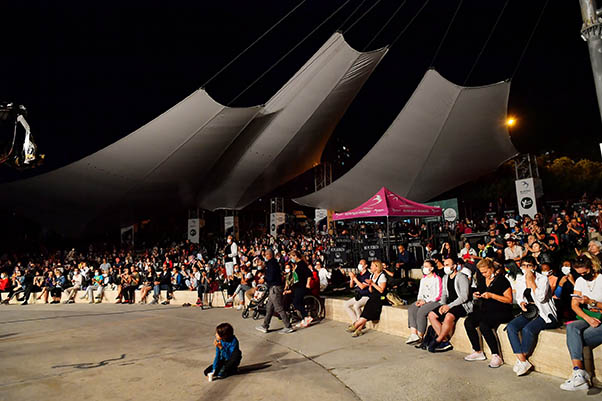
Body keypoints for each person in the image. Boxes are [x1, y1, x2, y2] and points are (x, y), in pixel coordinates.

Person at [505, 256, 558, 376]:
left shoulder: (542, 279)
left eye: (529, 265)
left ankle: (521, 360)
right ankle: (522, 360)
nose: (526, 268)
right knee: (511, 327)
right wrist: (522, 303)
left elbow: (541, 297)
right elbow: (519, 297)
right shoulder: (520, 280)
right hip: (530, 312)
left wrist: (532, 282)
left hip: (545, 314)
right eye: (524, 266)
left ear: (534, 267)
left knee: (527, 329)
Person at [560, 256, 602, 391]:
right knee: (572, 327)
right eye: (579, 273)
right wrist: (588, 318)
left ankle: (582, 376)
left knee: (575, 339)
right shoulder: (579, 281)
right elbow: (574, 305)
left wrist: (591, 302)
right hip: (588, 317)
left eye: (585, 272)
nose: (583, 276)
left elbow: (590, 302)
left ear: (592, 266)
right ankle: (578, 372)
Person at [463, 258, 513, 368]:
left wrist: (492, 296)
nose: (483, 274)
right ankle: (477, 351)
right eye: (481, 272)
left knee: (484, 325)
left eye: (485, 272)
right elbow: (481, 291)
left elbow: (509, 300)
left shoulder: (502, 280)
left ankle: (496, 355)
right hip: (486, 309)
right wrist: (477, 294)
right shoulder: (482, 279)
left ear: (491, 269)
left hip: (501, 310)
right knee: (469, 322)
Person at [427, 257, 472, 352]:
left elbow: (464, 297)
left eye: (447, 265)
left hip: (461, 305)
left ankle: (437, 340)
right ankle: (445, 341)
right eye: (444, 265)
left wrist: (449, 306)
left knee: (449, 316)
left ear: (454, 266)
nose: (445, 267)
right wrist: (442, 305)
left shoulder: (462, 277)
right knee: (431, 315)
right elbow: (444, 293)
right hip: (449, 304)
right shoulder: (445, 278)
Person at [256, 249, 294, 334]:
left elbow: (271, 277)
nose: (265, 256)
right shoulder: (273, 263)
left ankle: (288, 326)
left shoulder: (271, 264)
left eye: (266, 254)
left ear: (269, 255)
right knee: (269, 307)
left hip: (275, 288)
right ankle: (265, 325)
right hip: (273, 288)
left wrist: (264, 279)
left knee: (278, 308)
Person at [346, 260, 387, 337]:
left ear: (377, 267)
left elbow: (381, 290)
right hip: (373, 297)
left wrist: (372, 283)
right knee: (366, 311)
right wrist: (370, 285)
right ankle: (358, 329)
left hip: (380, 298)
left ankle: (356, 325)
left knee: (368, 310)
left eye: (372, 266)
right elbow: (370, 290)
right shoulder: (372, 276)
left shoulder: (382, 276)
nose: (371, 267)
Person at [405, 260, 441, 345]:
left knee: (421, 311)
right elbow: (420, 292)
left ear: (431, 268)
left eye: (426, 266)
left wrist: (426, 301)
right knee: (412, 309)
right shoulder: (423, 279)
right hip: (422, 301)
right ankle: (413, 334)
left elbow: (438, 295)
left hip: (434, 301)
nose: (424, 268)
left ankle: (420, 335)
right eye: (423, 266)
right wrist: (419, 300)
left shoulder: (437, 279)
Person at [343, 259, 371, 324]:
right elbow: (351, 286)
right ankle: (355, 322)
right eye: (359, 263)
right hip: (358, 295)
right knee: (346, 305)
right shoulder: (359, 275)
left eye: (361, 263)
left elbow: (362, 286)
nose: (359, 265)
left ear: (366, 265)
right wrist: (351, 278)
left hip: (366, 296)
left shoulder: (368, 275)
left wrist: (354, 278)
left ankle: (360, 323)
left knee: (356, 306)